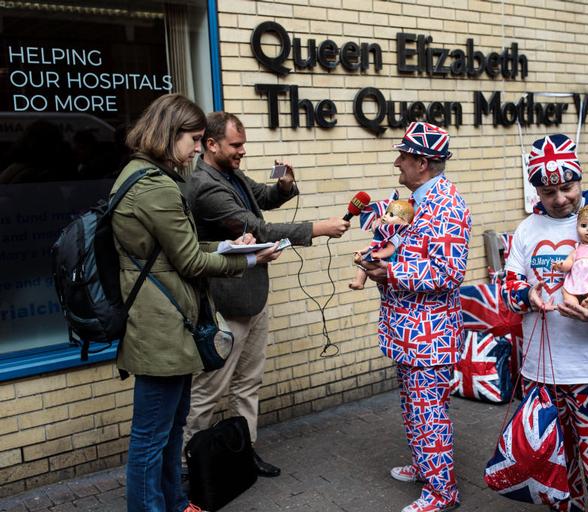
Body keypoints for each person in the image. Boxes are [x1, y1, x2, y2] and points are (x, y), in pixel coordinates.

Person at [112, 94, 281, 512]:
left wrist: (227, 245)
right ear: (170, 135)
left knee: (169, 431)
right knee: (152, 437)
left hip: (169, 322)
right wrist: (246, 258)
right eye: (192, 138)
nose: (195, 148)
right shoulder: (154, 186)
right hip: (160, 326)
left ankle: (174, 501)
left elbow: (178, 248)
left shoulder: (146, 175)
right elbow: (189, 260)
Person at [183, 111, 350, 476]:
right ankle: (191, 465)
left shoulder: (228, 173)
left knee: (248, 382)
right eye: (236, 145)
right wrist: (318, 228)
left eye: (243, 144)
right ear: (211, 145)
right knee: (211, 389)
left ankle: (245, 451)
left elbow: (262, 198)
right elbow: (257, 228)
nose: (242, 151)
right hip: (225, 304)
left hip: (252, 296)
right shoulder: (205, 186)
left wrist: (285, 185)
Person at [502, 133, 588, 511]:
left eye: (567, 187)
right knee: (555, 470)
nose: (561, 198)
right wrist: (524, 296)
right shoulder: (526, 229)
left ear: (579, 180)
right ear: (537, 192)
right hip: (541, 376)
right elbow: (510, 281)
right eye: (549, 192)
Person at [361, 121, 471, 512]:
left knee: (429, 413)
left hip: (431, 336)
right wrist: (377, 256)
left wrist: (389, 272)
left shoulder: (447, 205)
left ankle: (443, 493)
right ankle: (426, 466)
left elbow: (447, 273)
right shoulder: (410, 199)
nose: (397, 163)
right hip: (408, 331)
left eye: (403, 157)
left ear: (422, 163)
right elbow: (397, 244)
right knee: (413, 407)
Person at [349, 199, 414, 290]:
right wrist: (363, 251)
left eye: (391, 215)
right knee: (364, 264)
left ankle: (360, 265)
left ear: (404, 222)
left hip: (386, 260)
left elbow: (390, 249)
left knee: (366, 263)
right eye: (386, 213)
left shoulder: (396, 236)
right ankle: (359, 281)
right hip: (378, 256)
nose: (385, 216)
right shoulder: (385, 232)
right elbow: (374, 245)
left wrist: (378, 254)